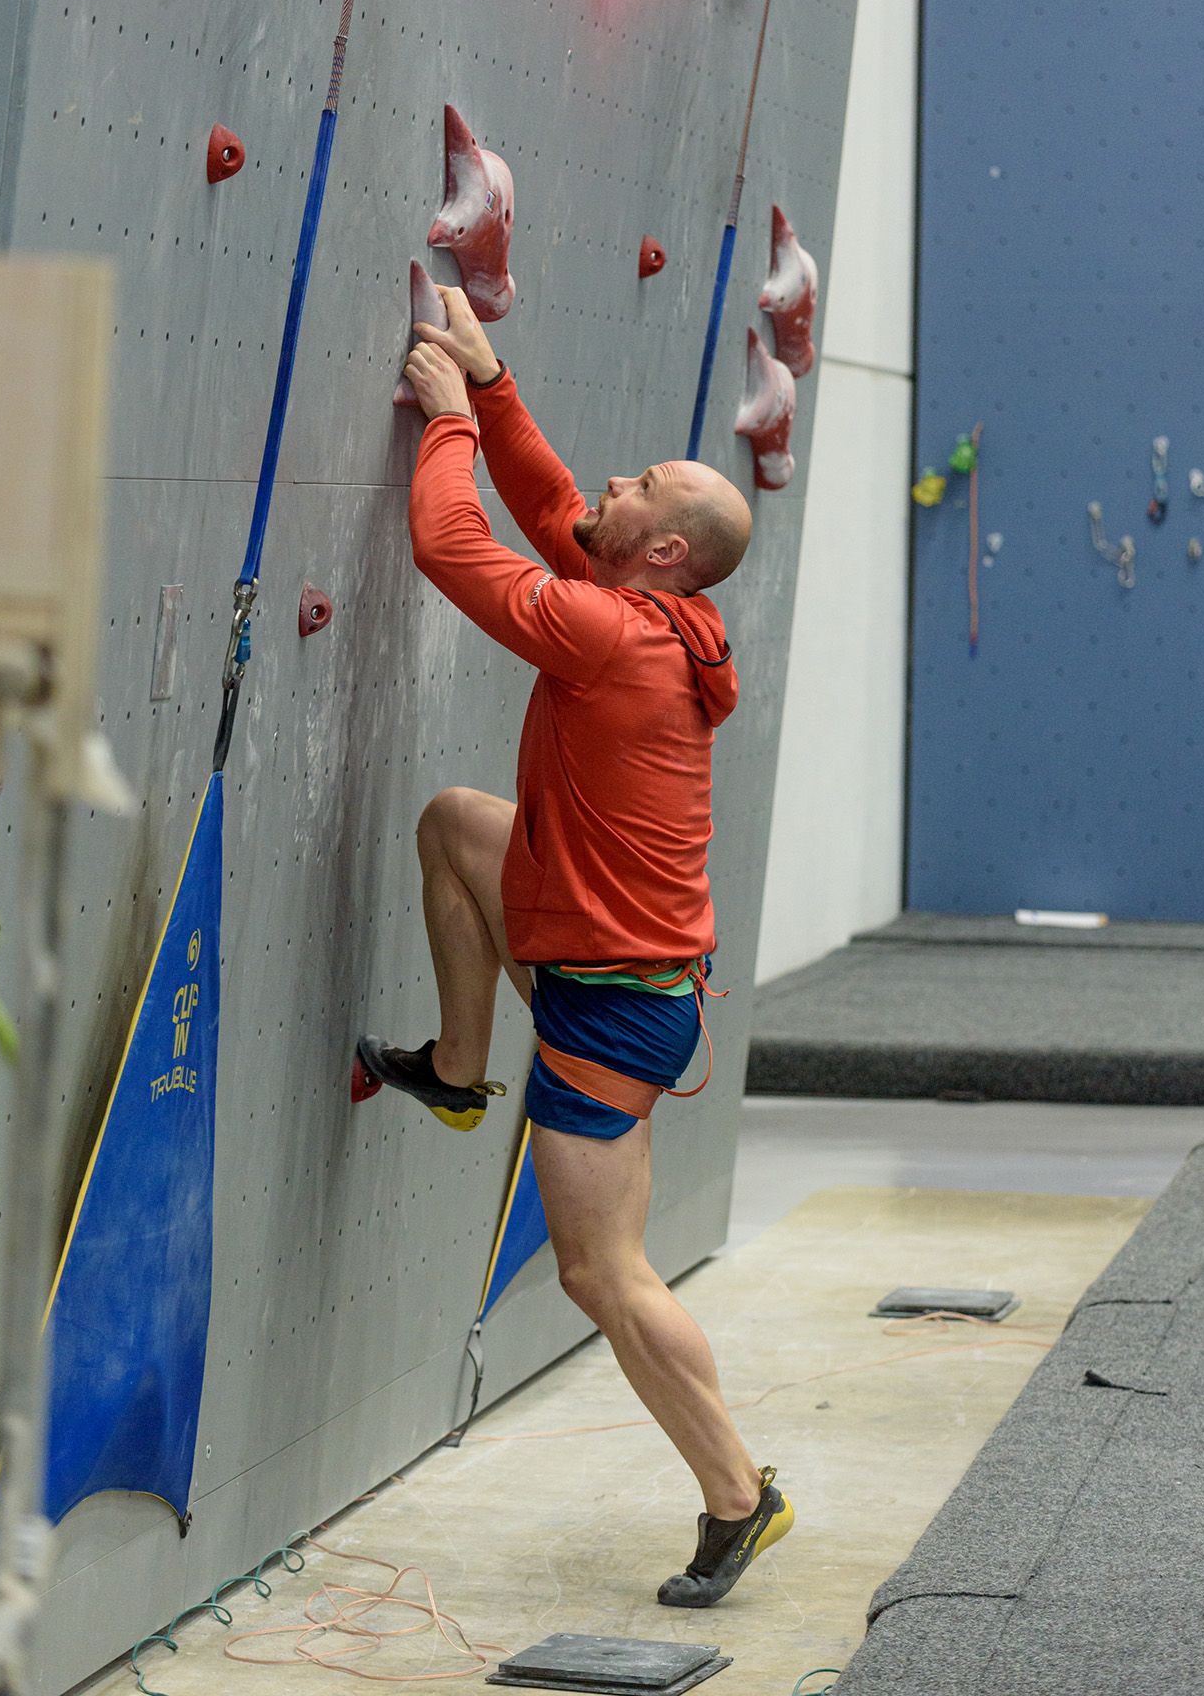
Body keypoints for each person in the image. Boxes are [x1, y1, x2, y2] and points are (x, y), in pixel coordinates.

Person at [357, 286, 792, 1608]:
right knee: (453, 826)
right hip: (606, 959)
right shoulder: (655, 607)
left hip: (610, 1005)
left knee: (606, 1272)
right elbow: (553, 501)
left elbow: (454, 545)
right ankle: (457, 1065)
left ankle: (738, 1495)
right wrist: (489, 383)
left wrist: (440, 426)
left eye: (643, 482)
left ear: (660, 550)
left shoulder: (611, 637)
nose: (613, 477)